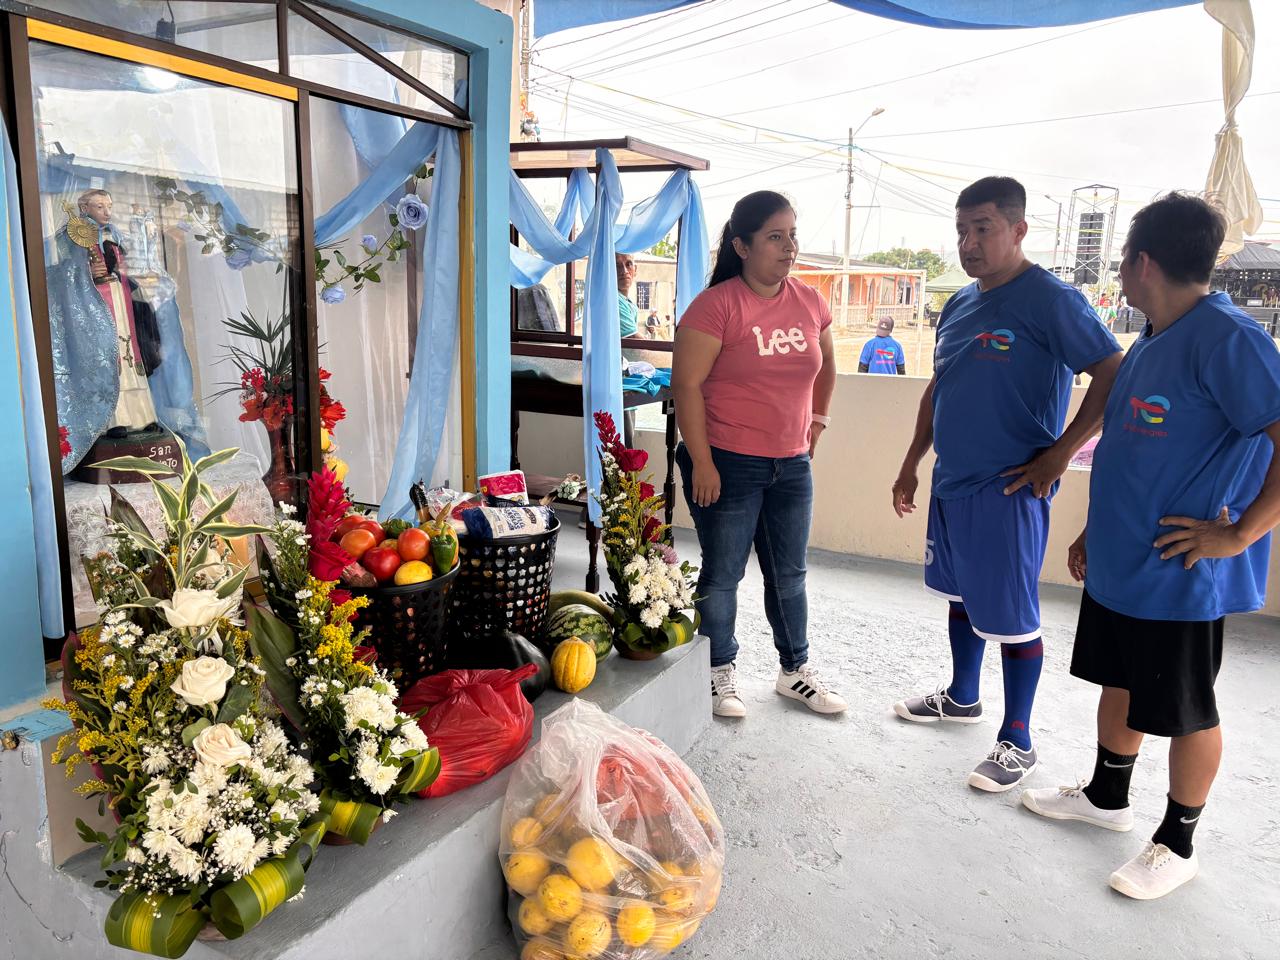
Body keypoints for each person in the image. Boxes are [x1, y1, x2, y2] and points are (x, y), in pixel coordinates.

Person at [1021, 193, 1280, 900]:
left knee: (1189, 708)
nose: (1120, 273)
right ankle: (1106, 797)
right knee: (1121, 680)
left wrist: (1240, 533)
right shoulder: (1154, 336)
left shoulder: (1228, 339)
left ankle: (1179, 842)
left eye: (1123, 261)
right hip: (1123, 559)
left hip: (1179, 570)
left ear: (1142, 262)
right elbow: (1133, 449)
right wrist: (1094, 529)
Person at [890, 176, 1123, 791]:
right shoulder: (959, 304)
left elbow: (1112, 371)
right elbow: (939, 387)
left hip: (1010, 487)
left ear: (1019, 230)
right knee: (960, 597)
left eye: (983, 229)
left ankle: (1018, 738)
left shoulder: (1052, 300)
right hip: (952, 481)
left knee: (1014, 616)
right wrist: (912, 460)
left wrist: (1061, 454)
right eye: (961, 231)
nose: (968, 243)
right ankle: (962, 696)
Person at [672, 190, 846, 718]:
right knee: (723, 575)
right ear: (742, 246)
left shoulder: (810, 301)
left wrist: (818, 421)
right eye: (775, 236)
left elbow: (826, 366)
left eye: (792, 235)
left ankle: (795, 670)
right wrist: (703, 462)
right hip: (728, 462)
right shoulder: (717, 305)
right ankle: (717, 670)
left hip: (791, 464)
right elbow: (686, 386)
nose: (789, 246)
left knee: (789, 575)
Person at [616, 252, 638, 338]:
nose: (624, 271)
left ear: (635, 270)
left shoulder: (628, 302)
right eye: (617, 266)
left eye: (628, 264)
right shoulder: (614, 300)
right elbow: (634, 338)